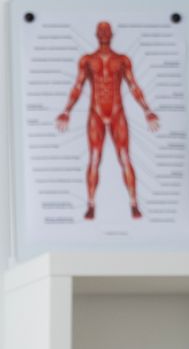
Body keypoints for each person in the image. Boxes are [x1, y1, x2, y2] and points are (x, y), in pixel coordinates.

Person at [55, 20, 161, 221]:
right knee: (94, 158)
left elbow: (133, 85)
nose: (104, 32)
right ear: (96, 34)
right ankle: (91, 204)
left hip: (116, 113)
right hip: (95, 113)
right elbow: (77, 86)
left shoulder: (122, 60)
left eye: (107, 30)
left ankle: (133, 203)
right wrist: (66, 111)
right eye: (100, 30)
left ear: (111, 34)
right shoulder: (87, 60)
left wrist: (147, 110)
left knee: (124, 157)